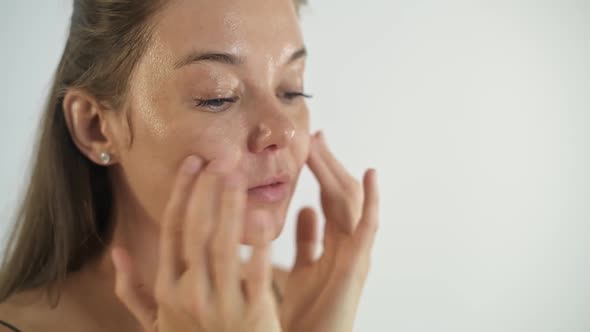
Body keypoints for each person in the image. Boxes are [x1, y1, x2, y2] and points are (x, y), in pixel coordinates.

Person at [0, 0, 380, 331]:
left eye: (291, 90)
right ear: (96, 127)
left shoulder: (303, 306)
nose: (282, 130)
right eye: (218, 96)